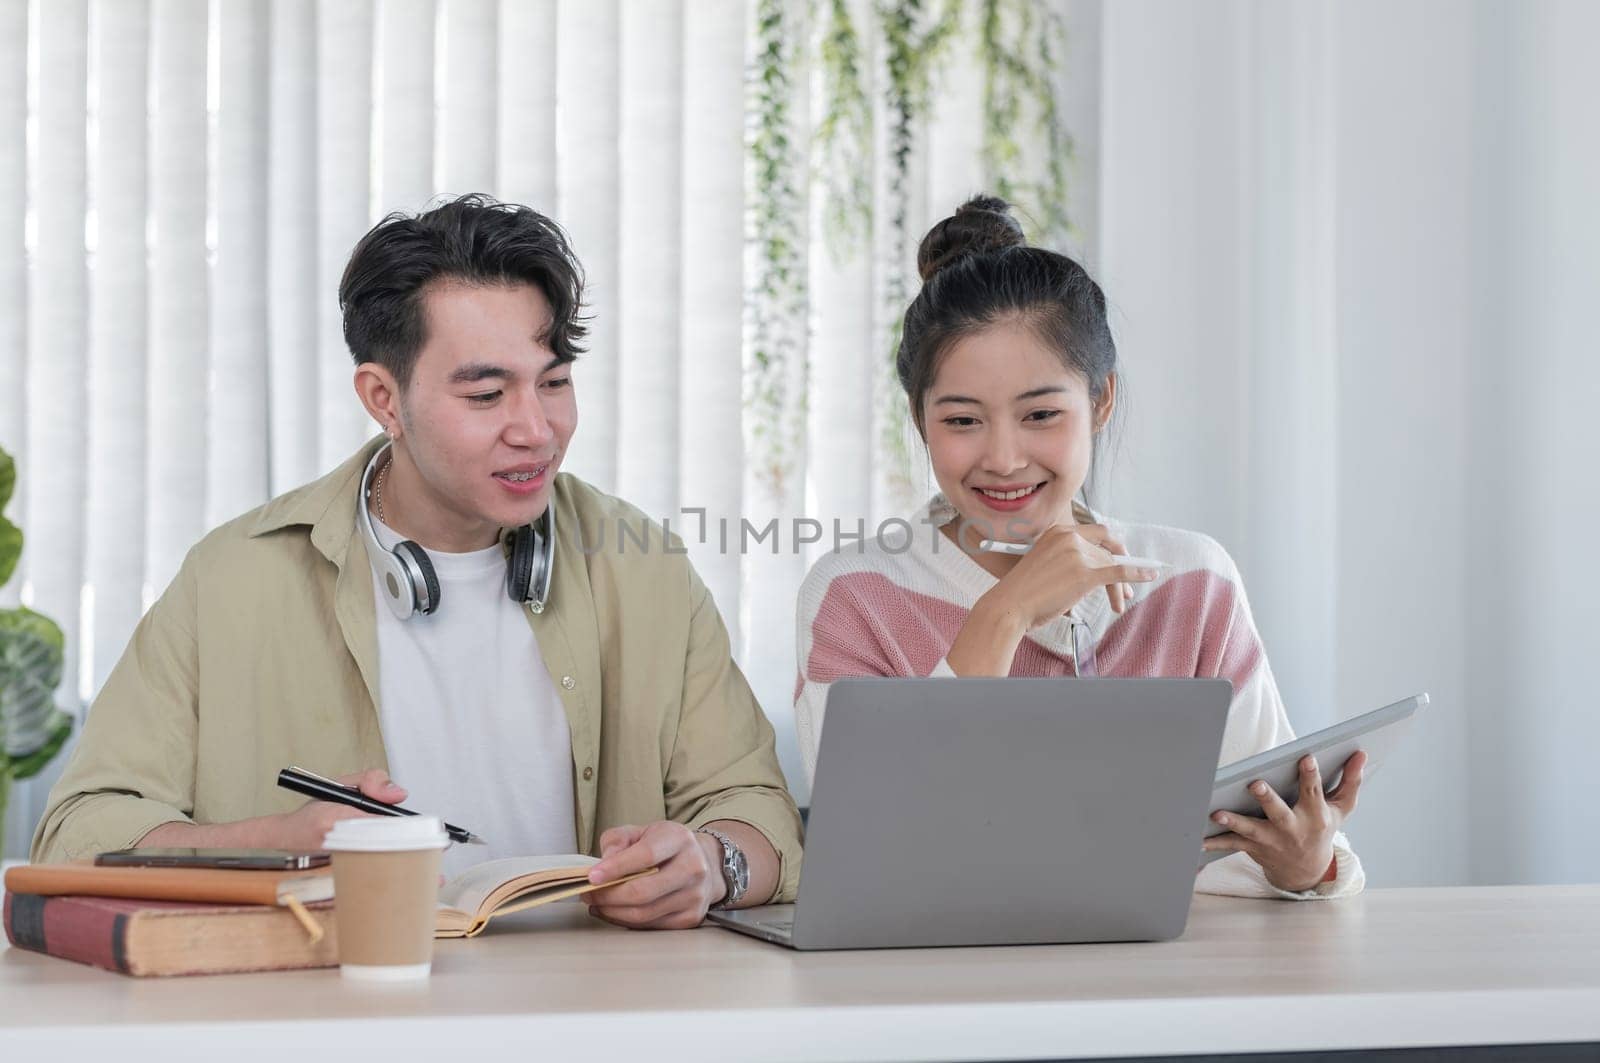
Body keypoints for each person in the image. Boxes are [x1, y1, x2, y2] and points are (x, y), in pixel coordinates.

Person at [34, 194, 801, 929]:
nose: (536, 429)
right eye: (487, 394)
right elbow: (77, 830)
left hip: (589, 1017)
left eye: (555, 382)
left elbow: (760, 812)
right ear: (384, 398)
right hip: (337, 1016)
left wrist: (713, 861)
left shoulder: (644, 569)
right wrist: (264, 843)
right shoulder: (232, 579)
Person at [794, 195, 1365, 898]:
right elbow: (868, 853)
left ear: (1100, 401)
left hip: (1158, 987)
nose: (1003, 457)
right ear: (919, 419)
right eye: (963, 419)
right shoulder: (856, 595)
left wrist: (1308, 865)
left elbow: (1258, 834)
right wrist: (1005, 614)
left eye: (1040, 414)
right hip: (938, 989)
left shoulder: (1192, 582)